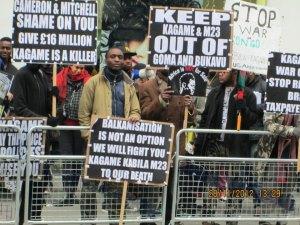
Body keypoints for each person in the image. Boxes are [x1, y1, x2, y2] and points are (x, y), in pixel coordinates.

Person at [78, 46, 140, 224]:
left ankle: (115, 220)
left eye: (120, 57)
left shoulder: (129, 85)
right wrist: (87, 136)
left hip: (120, 145)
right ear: (106, 59)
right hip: (95, 143)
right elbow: (83, 113)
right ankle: (88, 221)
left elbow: (135, 109)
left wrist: (135, 116)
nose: (117, 60)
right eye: (112, 56)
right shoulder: (93, 82)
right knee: (89, 186)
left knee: (117, 187)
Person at [194, 70, 258, 225]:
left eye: (224, 72)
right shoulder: (214, 93)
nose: (220, 75)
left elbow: (252, 121)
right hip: (214, 144)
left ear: (234, 73)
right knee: (212, 182)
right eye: (219, 72)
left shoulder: (248, 94)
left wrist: (242, 107)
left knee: (236, 184)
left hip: (236, 146)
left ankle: (231, 220)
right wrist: (199, 142)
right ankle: (208, 219)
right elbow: (205, 118)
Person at [139, 69, 195, 225]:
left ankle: (169, 220)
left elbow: (190, 122)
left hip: (174, 148)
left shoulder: (182, 86)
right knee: (150, 189)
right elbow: (144, 114)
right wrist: (160, 100)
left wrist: (190, 108)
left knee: (171, 190)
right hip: (154, 147)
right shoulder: (146, 87)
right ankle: (148, 221)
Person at [11, 63, 59, 224]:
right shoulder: (21, 75)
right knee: (28, 183)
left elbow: (46, 105)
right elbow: (19, 107)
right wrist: (43, 121)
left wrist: (53, 97)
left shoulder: (41, 74)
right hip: (28, 137)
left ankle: (35, 218)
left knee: (40, 182)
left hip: (42, 138)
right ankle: (23, 220)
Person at [55, 64, 91, 206]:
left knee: (77, 160)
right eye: (76, 67)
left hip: (81, 125)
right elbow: (57, 101)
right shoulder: (59, 78)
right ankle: (68, 192)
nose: (79, 70)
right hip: (65, 125)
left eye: (81, 67)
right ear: (69, 66)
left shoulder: (88, 81)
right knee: (67, 159)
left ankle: (73, 191)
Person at [256, 113, 300, 225]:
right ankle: (265, 221)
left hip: (293, 159)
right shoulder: (276, 98)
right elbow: (268, 124)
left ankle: (282, 222)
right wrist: (291, 130)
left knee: (286, 194)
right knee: (268, 193)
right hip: (272, 157)